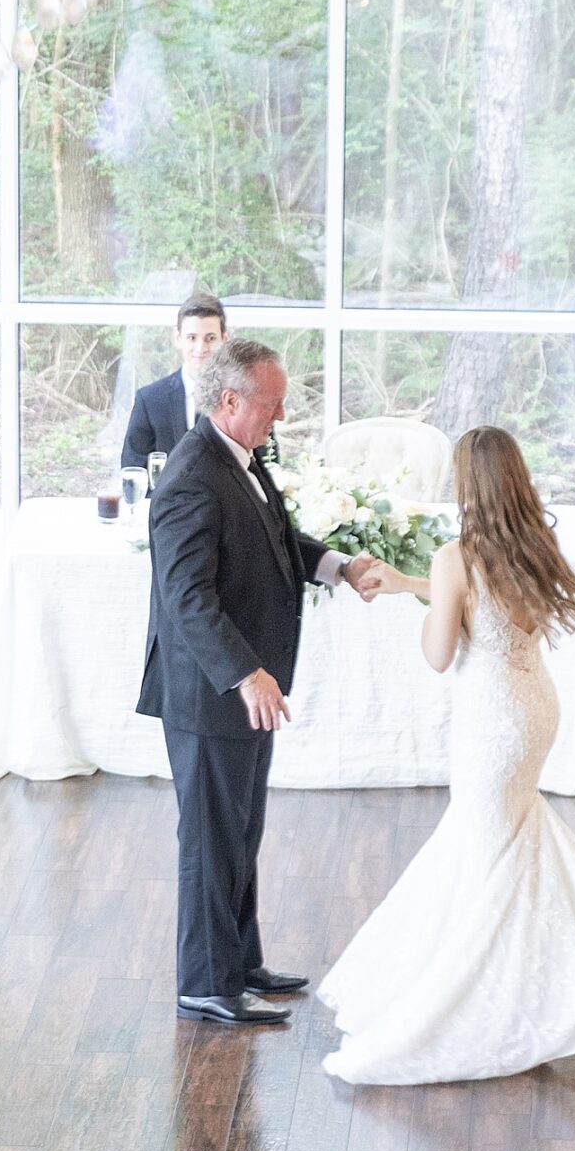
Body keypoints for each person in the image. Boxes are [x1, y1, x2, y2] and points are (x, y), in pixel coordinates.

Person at [317, 424, 575, 1084]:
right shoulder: (533, 547)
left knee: (486, 860)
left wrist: (423, 605)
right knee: (507, 845)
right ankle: (544, 981)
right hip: (534, 711)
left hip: (488, 725)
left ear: (464, 485)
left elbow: (439, 653)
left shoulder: (457, 558)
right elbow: (484, 601)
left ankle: (494, 1000)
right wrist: (411, 583)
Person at [138, 338, 378, 1027]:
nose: (279, 417)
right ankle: (205, 982)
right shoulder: (191, 476)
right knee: (212, 839)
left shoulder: (237, 459)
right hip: (212, 693)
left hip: (246, 688)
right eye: (270, 405)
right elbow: (187, 597)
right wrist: (244, 673)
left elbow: (275, 537)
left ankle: (239, 963)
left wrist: (335, 564)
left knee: (240, 832)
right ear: (229, 400)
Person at [123, 294, 228, 469]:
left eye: (210, 338)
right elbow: (133, 470)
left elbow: (265, 473)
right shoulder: (149, 400)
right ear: (178, 338)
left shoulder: (246, 400)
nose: (200, 348)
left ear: (224, 339)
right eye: (192, 338)